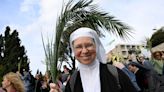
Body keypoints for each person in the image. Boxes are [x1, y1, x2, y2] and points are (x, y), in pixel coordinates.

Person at [50, 27, 137, 92]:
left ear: (96, 46)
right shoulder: (72, 81)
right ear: (73, 50)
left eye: (88, 45)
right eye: (78, 47)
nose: (84, 51)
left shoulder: (115, 73)